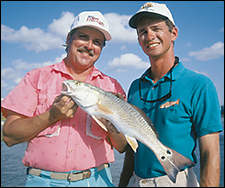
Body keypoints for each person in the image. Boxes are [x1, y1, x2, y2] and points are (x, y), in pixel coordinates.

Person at [2, 11, 128, 187]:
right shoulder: (36, 78)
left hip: (98, 180)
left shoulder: (112, 86)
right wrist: (51, 116)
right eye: (83, 37)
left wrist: (109, 121)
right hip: (42, 181)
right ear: (69, 39)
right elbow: (8, 136)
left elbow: (122, 146)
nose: (89, 46)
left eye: (97, 42)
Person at [119, 2, 223, 187]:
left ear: (173, 33)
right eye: (142, 31)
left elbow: (210, 154)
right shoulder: (135, 87)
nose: (149, 36)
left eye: (156, 28)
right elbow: (132, 150)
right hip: (136, 181)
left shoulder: (200, 85)